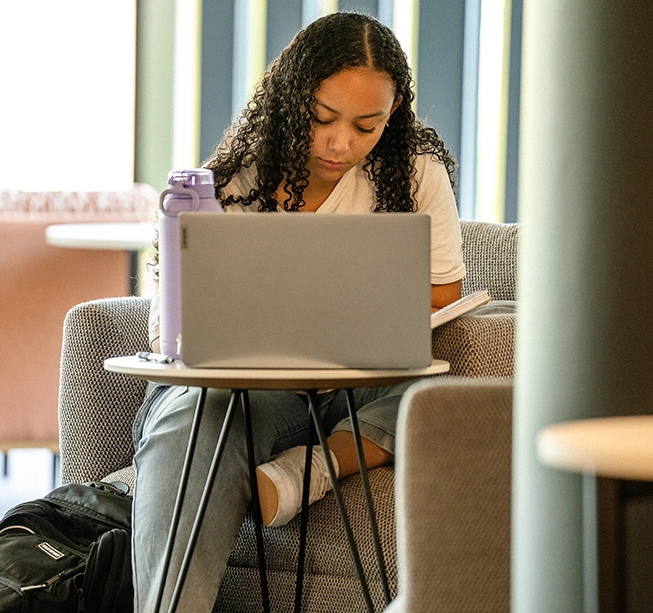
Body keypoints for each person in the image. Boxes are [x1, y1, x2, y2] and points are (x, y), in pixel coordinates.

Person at [133, 11, 465, 612]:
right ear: (292, 101)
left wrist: (355, 312)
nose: (342, 143)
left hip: (360, 385)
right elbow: (179, 319)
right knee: (192, 416)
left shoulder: (415, 169)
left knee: (444, 389)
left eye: (368, 126)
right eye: (323, 119)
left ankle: (317, 465)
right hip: (258, 392)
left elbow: (444, 297)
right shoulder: (236, 177)